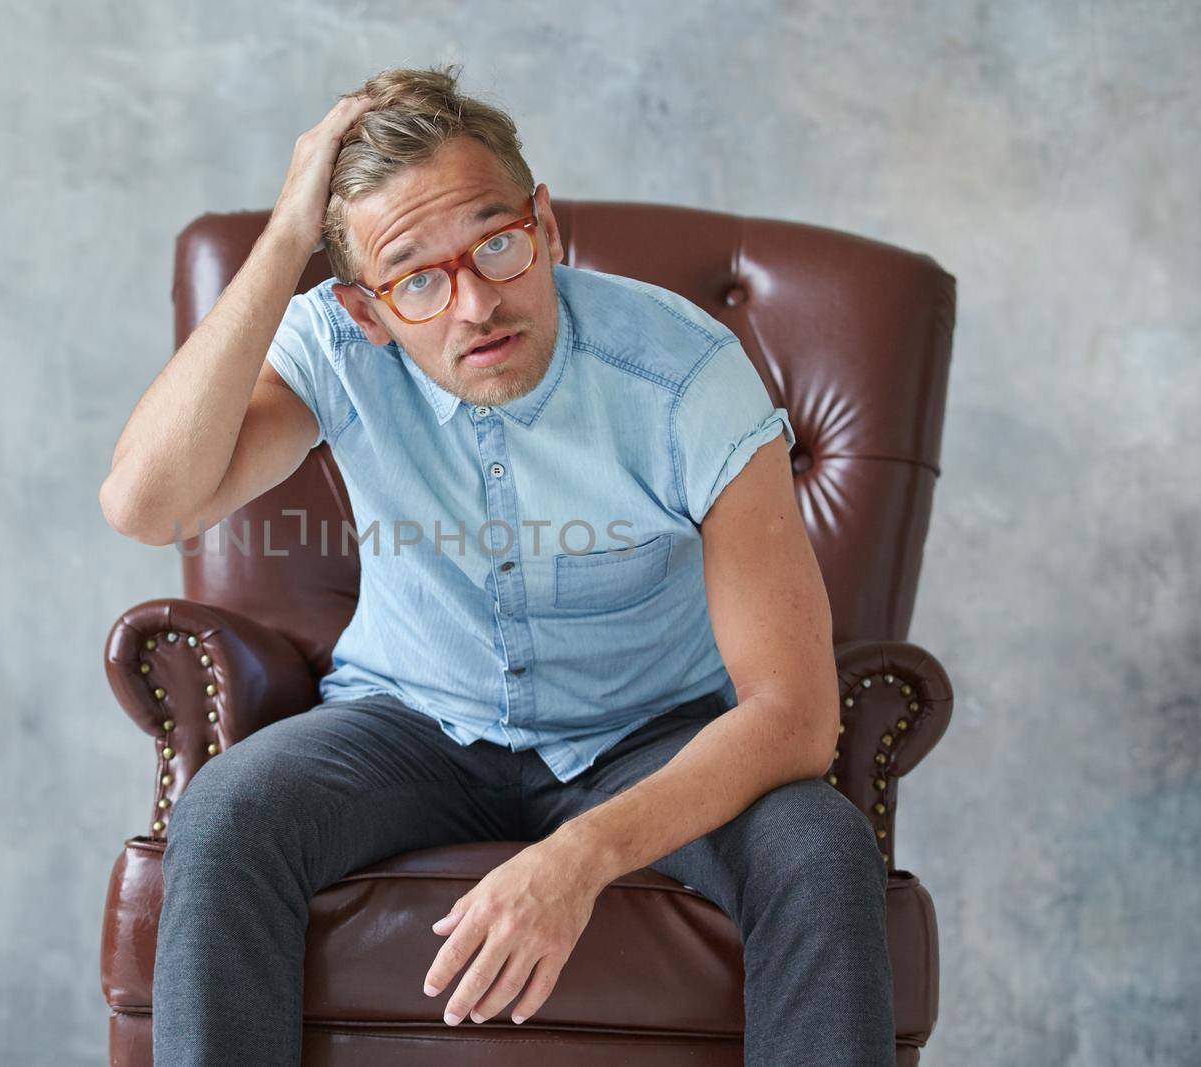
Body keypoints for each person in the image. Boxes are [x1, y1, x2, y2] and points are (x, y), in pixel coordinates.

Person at [100, 63, 895, 1067]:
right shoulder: (340, 346)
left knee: (819, 847)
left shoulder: (682, 372)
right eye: (417, 278)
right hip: (408, 722)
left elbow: (794, 711)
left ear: (545, 225)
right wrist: (287, 232)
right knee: (228, 815)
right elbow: (144, 503)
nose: (475, 303)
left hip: (650, 729)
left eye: (498, 243)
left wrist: (579, 855)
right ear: (365, 308)